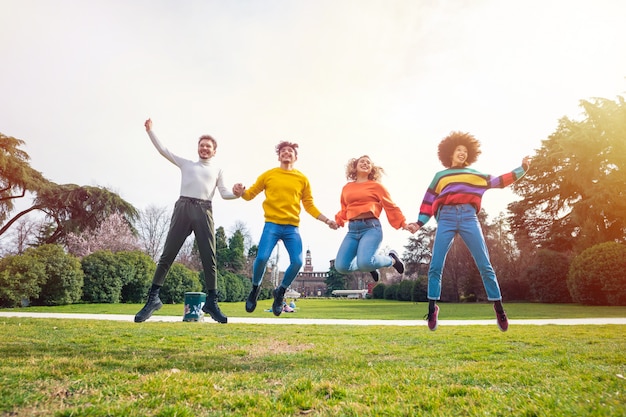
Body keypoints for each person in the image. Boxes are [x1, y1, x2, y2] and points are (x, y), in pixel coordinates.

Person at [407, 131, 531, 332]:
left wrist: (522, 169)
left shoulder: (476, 175)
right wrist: (419, 223)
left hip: (469, 217)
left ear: (469, 154)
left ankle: (499, 308)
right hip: (445, 218)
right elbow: (428, 201)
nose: (462, 153)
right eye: (458, 150)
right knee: (436, 265)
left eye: (465, 151)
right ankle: (432, 310)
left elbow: (500, 181)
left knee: (484, 263)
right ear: (450, 153)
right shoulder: (440, 176)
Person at [134, 118, 239, 324]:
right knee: (167, 255)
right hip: (183, 208)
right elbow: (164, 151)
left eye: (208, 147)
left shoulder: (217, 171)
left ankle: (212, 302)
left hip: (204, 210)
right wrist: (150, 132)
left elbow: (225, 193)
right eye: (202, 146)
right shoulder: (187, 164)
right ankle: (153, 299)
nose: (204, 149)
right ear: (198, 149)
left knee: (210, 259)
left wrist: (237, 193)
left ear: (214, 151)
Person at [233, 141, 338, 316]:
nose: (286, 153)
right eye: (283, 151)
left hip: (291, 228)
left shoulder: (302, 179)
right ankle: (255, 288)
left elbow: (309, 205)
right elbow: (249, 195)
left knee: (297, 262)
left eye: (290, 151)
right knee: (261, 258)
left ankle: (280, 292)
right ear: (279, 155)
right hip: (272, 225)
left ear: (295, 157)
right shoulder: (269, 175)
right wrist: (240, 191)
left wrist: (327, 220)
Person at [334, 155, 407, 282]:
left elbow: (390, 205)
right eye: (362, 161)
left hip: (371, 228)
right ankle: (368, 263)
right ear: (355, 166)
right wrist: (338, 221)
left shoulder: (376, 186)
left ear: (372, 169)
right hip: (352, 230)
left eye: (368, 163)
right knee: (341, 266)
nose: (365, 164)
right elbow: (344, 208)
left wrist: (403, 223)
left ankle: (392, 259)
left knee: (365, 262)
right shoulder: (347, 188)